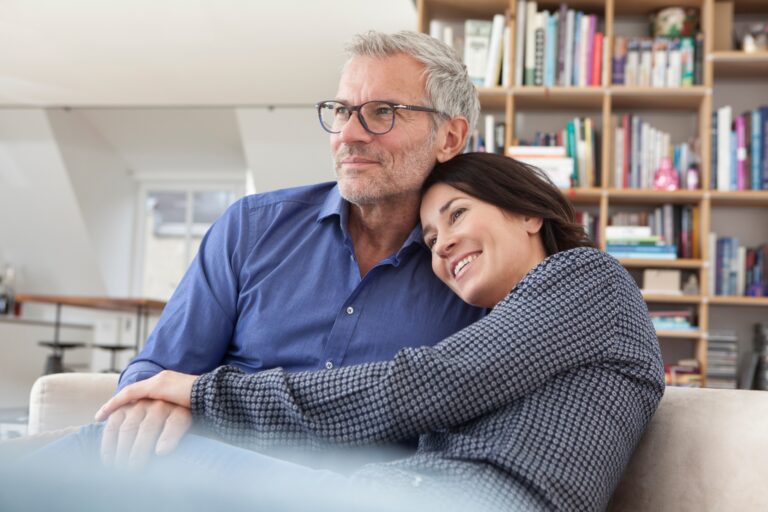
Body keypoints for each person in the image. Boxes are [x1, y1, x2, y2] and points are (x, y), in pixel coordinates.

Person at [96, 152, 666, 511]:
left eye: (458, 214)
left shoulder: (587, 278)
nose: (441, 244)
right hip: (409, 492)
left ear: (529, 212)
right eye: (431, 236)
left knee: (104, 463)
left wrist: (202, 394)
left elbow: (417, 387)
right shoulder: (520, 317)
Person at [99, 30, 486, 467]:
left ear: (450, 138)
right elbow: (157, 369)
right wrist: (155, 402)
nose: (349, 134)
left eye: (383, 112)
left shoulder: (476, 273)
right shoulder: (250, 228)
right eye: (341, 111)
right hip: (208, 479)